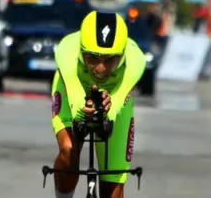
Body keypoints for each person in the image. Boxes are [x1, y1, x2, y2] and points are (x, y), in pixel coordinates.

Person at [51, 11, 146, 198]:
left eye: (110, 59)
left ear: (122, 54)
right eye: (93, 58)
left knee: (114, 179)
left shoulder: (136, 60)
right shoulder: (67, 49)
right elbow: (75, 99)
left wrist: (105, 113)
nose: (100, 69)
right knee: (69, 149)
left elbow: (117, 105)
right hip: (72, 92)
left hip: (113, 98)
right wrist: (83, 111)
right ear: (81, 51)